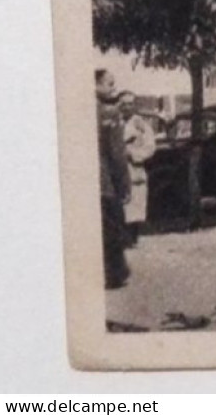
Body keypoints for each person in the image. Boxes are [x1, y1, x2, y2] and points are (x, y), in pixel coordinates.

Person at [95, 71, 132, 289]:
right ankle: (115, 273)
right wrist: (124, 185)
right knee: (112, 227)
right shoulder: (109, 113)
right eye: (109, 83)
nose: (113, 88)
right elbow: (117, 155)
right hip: (105, 183)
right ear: (96, 84)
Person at [116, 91, 159, 245]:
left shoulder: (141, 125)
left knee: (135, 203)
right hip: (118, 169)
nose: (127, 107)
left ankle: (132, 237)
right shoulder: (114, 123)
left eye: (130, 104)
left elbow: (150, 147)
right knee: (119, 203)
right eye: (123, 104)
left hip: (134, 168)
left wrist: (133, 154)